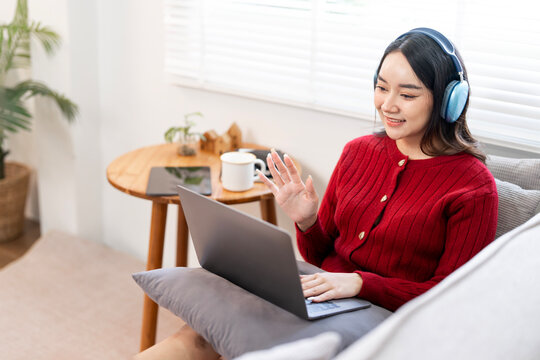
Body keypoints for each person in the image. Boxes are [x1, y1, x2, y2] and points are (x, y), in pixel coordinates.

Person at [134, 27, 498, 360]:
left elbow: (452, 299)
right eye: (382, 87)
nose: (387, 105)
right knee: (200, 333)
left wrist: (359, 283)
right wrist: (306, 220)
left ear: (450, 100)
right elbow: (320, 256)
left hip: (382, 316)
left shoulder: (472, 186)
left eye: (407, 94)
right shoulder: (358, 152)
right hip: (320, 291)